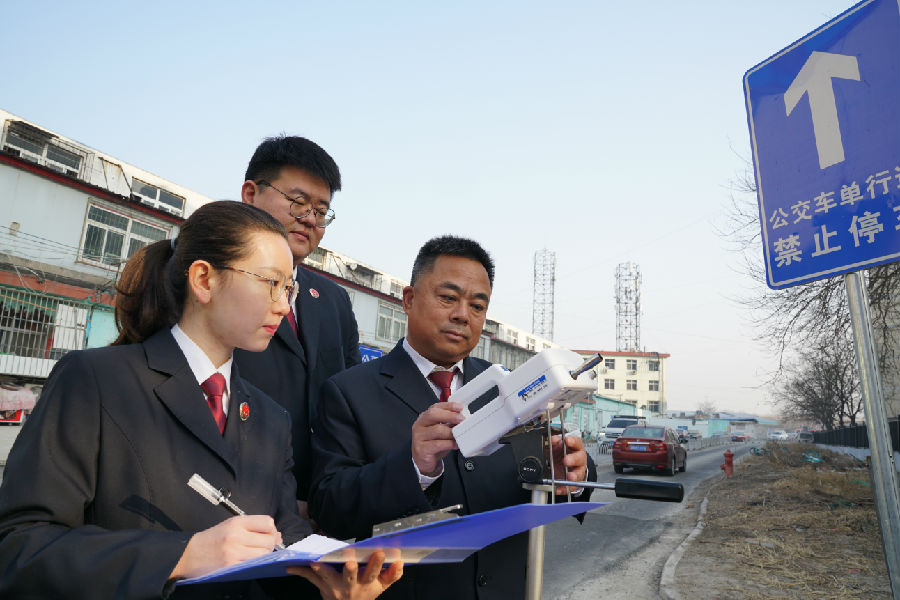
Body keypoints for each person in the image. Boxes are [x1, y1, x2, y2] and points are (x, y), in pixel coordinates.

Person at [0, 201, 401, 600]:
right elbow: (20, 548)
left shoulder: (270, 418)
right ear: (205, 280)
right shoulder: (96, 380)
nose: (282, 304)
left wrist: (335, 581)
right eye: (270, 282)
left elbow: (284, 540)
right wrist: (182, 555)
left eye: (289, 288)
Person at [309, 235, 595, 600]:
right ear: (409, 300)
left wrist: (573, 473)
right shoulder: (349, 392)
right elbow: (329, 507)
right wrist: (413, 466)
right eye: (448, 298)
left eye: (478, 306)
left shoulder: (509, 386)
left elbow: (561, 476)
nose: (463, 315)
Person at [235, 136, 360, 514]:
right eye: (298, 202)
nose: (310, 218)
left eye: (321, 210)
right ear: (251, 193)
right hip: (237, 509)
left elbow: (351, 400)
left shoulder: (333, 300)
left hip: (319, 513)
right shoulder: (217, 286)